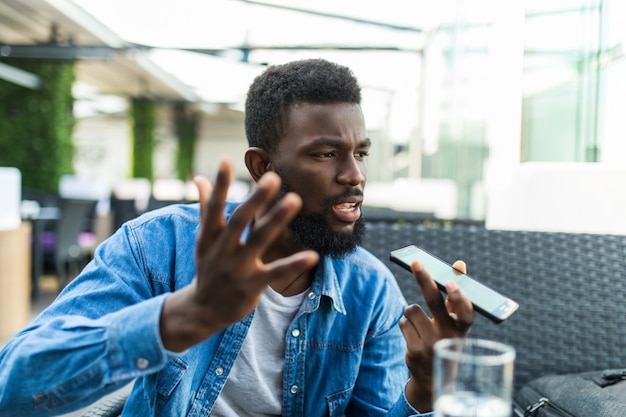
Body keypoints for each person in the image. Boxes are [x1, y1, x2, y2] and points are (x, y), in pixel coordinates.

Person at [0, 58, 473, 416]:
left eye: (361, 153)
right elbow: (15, 387)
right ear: (263, 167)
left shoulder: (369, 290)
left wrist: (425, 389)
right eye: (327, 154)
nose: (355, 175)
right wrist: (182, 317)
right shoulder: (159, 245)